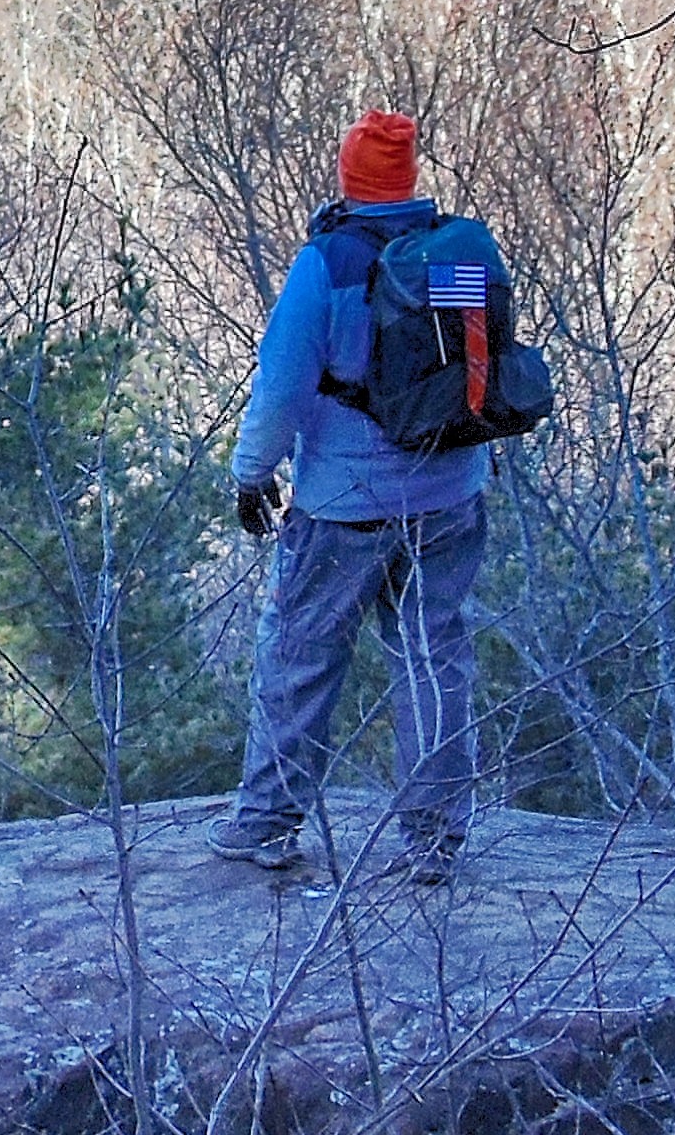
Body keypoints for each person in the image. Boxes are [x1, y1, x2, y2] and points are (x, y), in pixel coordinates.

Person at [208, 109, 497, 885]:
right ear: (406, 179)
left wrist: (249, 475)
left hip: (345, 503)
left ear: (349, 178)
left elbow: (281, 389)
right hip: (450, 494)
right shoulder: (458, 250)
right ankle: (434, 840)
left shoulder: (324, 263)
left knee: (300, 652)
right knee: (432, 659)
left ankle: (268, 822)